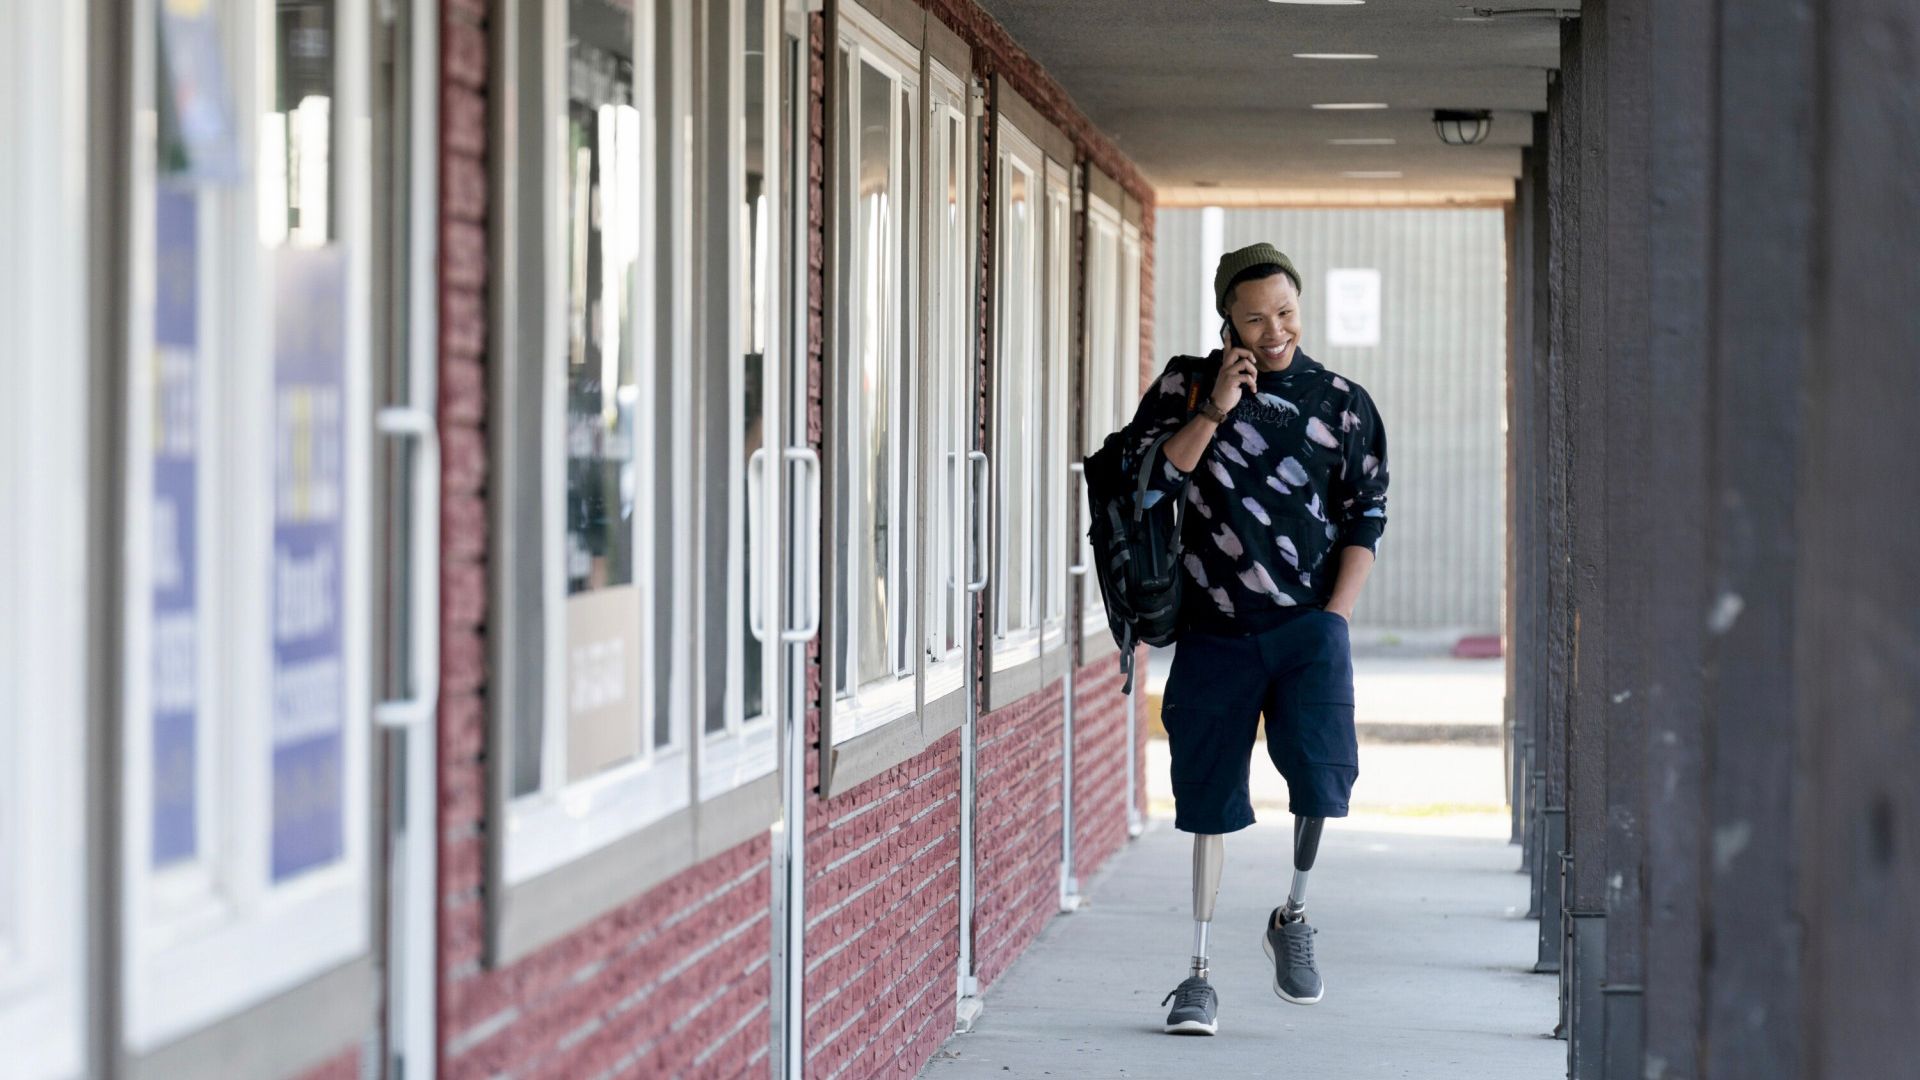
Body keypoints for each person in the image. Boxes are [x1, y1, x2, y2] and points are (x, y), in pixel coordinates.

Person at [1117, 243, 1389, 1036]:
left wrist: (1334, 617)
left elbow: (1366, 514)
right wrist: (1212, 411)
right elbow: (1149, 485)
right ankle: (1197, 974)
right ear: (1227, 323)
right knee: (1206, 796)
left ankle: (1292, 917)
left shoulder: (1343, 402)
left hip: (1307, 629)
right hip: (1215, 630)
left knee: (1322, 779)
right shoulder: (1186, 384)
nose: (1275, 332)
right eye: (1255, 318)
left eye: (1286, 314)